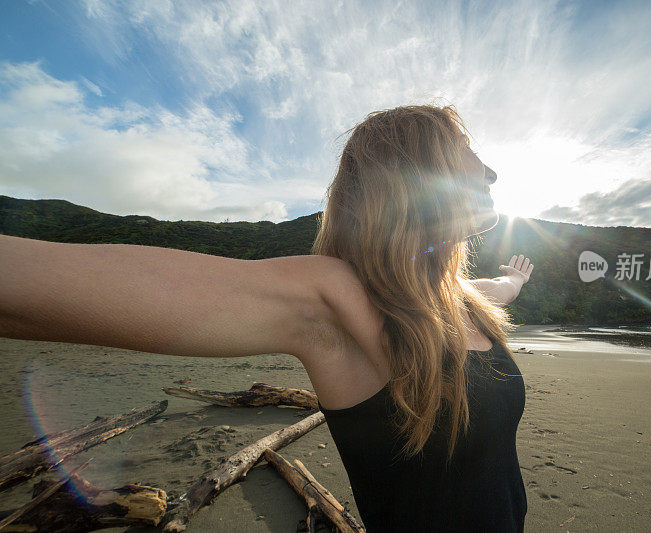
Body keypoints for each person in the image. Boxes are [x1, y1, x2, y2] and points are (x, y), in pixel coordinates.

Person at [0, 103, 535, 531]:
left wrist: (514, 281)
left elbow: (493, 289)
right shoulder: (335, 299)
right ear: (415, 176)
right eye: (467, 150)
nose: (490, 169)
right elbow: (32, 284)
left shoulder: (457, 297)